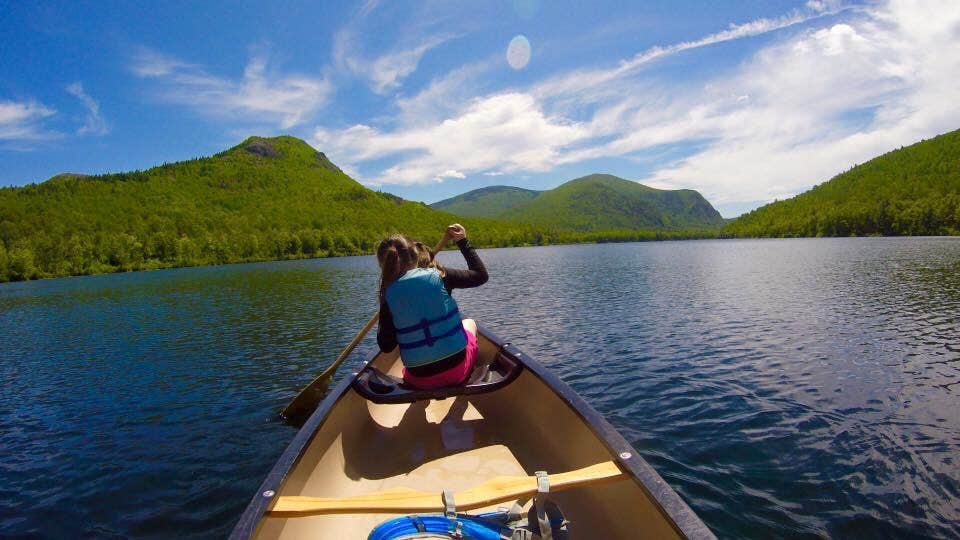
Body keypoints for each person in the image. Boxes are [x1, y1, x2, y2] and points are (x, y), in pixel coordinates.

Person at [375, 224, 488, 389]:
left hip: (419, 380)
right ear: (415, 254)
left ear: (383, 264)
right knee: (469, 323)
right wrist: (462, 241)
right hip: (456, 373)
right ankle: (466, 379)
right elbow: (481, 276)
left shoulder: (388, 295)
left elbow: (386, 346)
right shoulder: (440, 275)